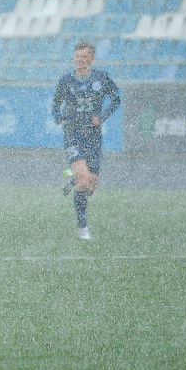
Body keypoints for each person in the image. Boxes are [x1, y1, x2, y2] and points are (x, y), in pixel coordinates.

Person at [52, 41, 121, 240]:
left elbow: (116, 99)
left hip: (93, 136)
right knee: (84, 179)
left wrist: (102, 116)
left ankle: (71, 177)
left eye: (84, 57)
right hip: (73, 133)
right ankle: (83, 228)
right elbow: (56, 103)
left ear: (91, 59)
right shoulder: (66, 80)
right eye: (77, 57)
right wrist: (58, 117)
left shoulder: (101, 77)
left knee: (89, 186)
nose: (80, 60)